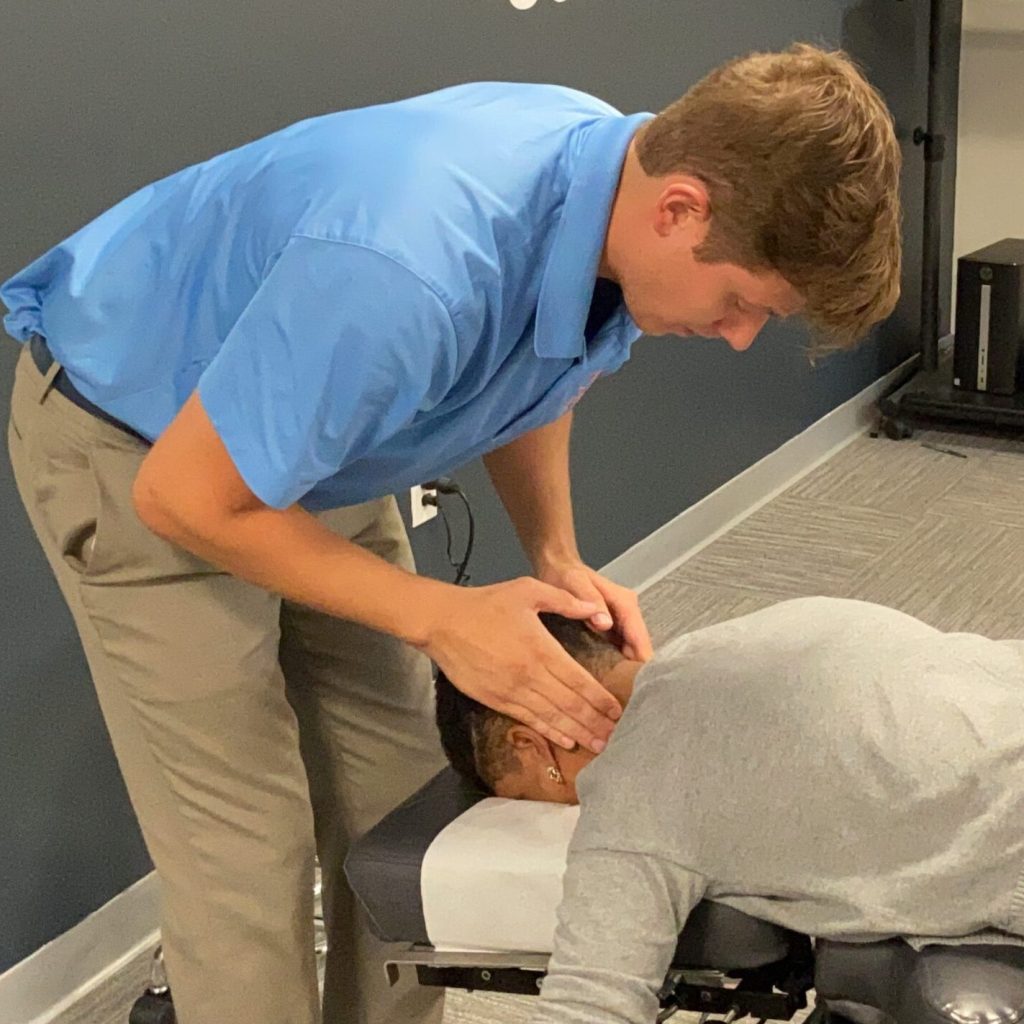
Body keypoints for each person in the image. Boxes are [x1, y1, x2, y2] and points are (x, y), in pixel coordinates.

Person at [3, 40, 901, 1024]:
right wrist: (441, 616)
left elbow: (540, 359)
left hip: (323, 435)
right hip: (144, 445)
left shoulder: (613, 181)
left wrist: (553, 551)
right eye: (739, 303)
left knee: (400, 797)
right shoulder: (408, 264)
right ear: (679, 208)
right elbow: (185, 498)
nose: (737, 336)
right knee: (249, 850)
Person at [434, 598, 1024, 1024]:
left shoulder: (635, 798)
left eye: (529, 794)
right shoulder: (765, 625)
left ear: (528, 743)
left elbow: (592, 1004)